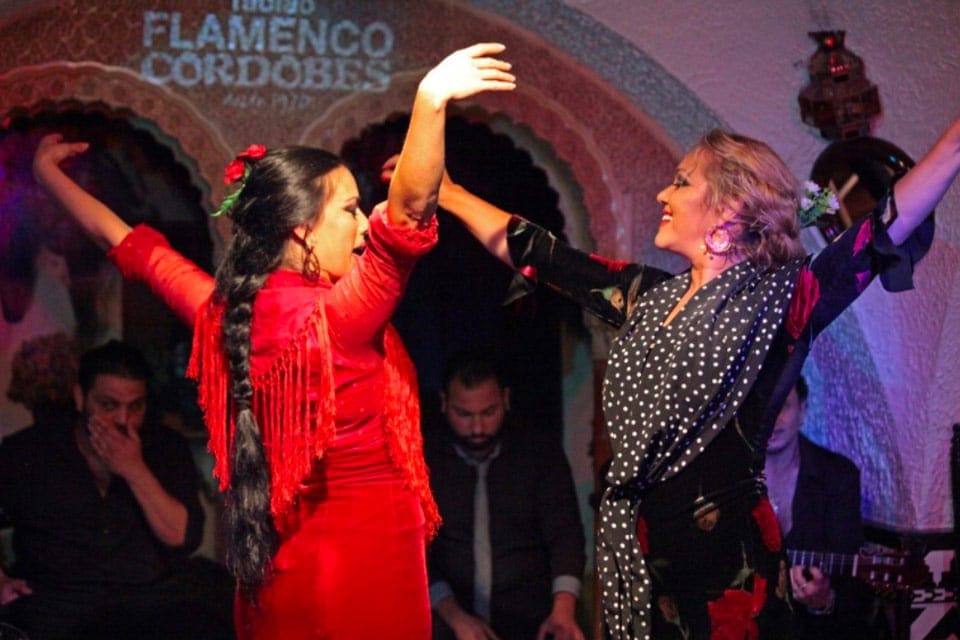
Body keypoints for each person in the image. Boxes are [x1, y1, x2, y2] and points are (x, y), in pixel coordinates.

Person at [31, 43, 515, 639]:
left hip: (284, 570)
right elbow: (408, 217)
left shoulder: (226, 311)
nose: (365, 225)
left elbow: (135, 249)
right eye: (351, 210)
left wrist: (46, 177)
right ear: (301, 228)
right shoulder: (340, 318)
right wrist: (430, 100)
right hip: (366, 569)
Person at [433, 113, 960, 638]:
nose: (664, 192)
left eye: (682, 181)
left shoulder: (776, 302)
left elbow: (885, 224)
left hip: (722, 573)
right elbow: (541, 254)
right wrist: (450, 194)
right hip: (638, 563)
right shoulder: (646, 296)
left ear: (728, 209)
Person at [0, 339, 233, 640]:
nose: (123, 420)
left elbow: (182, 537)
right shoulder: (29, 451)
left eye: (135, 406)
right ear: (81, 397)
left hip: (149, 602)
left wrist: (134, 470)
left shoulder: (165, 448)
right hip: (58, 604)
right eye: (108, 405)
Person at [425, 352, 586, 640]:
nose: (477, 428)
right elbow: (417, 552)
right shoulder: (426, 460)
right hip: (447, 616)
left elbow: (566, 535)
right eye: (464, 414)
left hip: (531, 618)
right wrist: (454, 617)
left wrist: (563, 610)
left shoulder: (538, 453)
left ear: (506, 400)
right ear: (444, 403)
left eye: (489, 412)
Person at [764, 376, 879, 640]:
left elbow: (853, 594)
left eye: (782, 406)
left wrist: (824, 601)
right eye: (763, 407)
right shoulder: (730, 479)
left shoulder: (837, 477)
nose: (771, 419)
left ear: (803, 410)